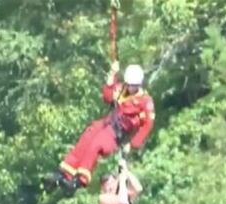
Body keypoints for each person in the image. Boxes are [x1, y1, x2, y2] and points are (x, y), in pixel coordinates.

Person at [43, 61, 156, 194]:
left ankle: (80, 180)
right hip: (107, 123)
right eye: (130, 84)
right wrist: (112, 75)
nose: (131, 87)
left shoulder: (145, 102)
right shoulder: (121, 90)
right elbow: (107, 96)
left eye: (134, 85)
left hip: (117, 133)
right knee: (87, 137)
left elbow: (147, 125)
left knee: (96, 144)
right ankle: (64, 173)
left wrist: (133, 144)